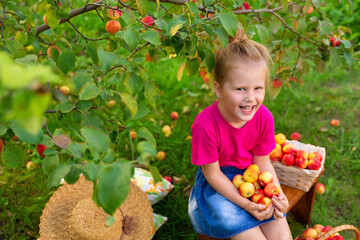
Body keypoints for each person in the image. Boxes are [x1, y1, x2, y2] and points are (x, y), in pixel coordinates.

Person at [188, 29, 293, 240]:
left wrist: (276, 192)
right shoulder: (205, 125)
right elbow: (213, 175)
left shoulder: (264, 118)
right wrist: (246, 204)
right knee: (245, 230)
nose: (251, 98)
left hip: (252, 177)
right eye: (240, 89)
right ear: (219, 89)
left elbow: (262, 163)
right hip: (218, 187)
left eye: (258, 88)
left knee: (282, 235)